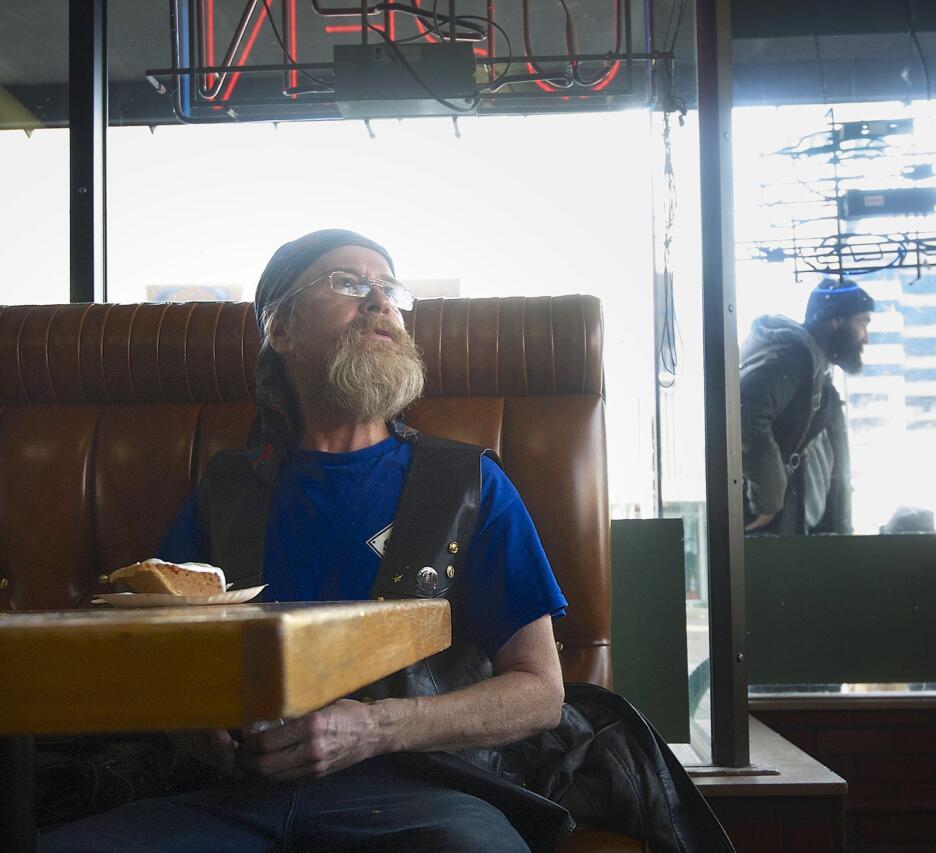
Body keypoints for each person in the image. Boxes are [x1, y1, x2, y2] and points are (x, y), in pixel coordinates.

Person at [40, 229, 567, 852]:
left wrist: (374, 729)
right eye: (347, 282)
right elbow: (165, 658)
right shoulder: (227, 487)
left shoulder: (468, 482)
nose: (379, 300)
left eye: (389, 287)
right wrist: (192, 721)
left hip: (415, 792)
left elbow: (541, 693)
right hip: (226, 797)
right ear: (281, 330)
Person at [740, 277, 874, 536]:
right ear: (835, 321)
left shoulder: (817, 376)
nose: (866, 338)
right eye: (862, 322)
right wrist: (768, 499)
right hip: (774, 536)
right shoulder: (794, 359)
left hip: (798, 534)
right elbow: (746, 409)